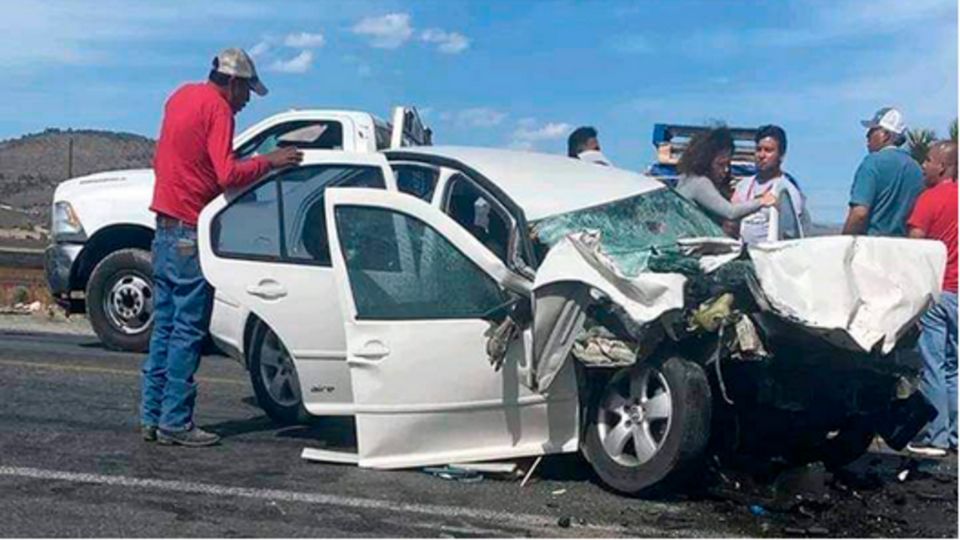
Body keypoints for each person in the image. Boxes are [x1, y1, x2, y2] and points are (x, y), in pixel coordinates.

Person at [141, 48, 303, 447]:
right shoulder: (219, 110)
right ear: (232, 82)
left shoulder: (180, 96)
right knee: (187, 331)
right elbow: (228, 173)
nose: (247, 100)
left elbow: (172, 158)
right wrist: (271, 161)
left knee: (165, 327)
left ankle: (151, 415)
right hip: (190, 232)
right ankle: (176, 421)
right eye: (247, 90)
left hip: (163, 229)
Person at [905, 140, 958, 458]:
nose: (923, 166)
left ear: (942, 165)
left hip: (938, 292)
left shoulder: (929, 200)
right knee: (954, 367)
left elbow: (914, 250)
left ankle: (937, 436)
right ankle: (954, 433)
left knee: (933, 366)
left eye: (927, 160)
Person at [842, 107, 923, 236]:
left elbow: (859, 213)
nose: (867, 135)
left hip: (873, 247)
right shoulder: (916, 169)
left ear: (885, 135)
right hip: (905, 248)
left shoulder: (872, 163)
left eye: (872, 130)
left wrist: (844, 241)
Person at [674, 126, 776, 225]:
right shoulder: (700, 183)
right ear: (706, 161)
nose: (726, 170)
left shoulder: (686, 178)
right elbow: (730, 212)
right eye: (721, 165)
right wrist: (762, 201)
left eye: (728, 164)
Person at [731, 125, 810, 244]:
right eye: (759, 149)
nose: (762, 155)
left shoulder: (786, 192)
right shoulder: (743, 186)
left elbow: (790, 236)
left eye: (768, 150)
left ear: (781, 156)